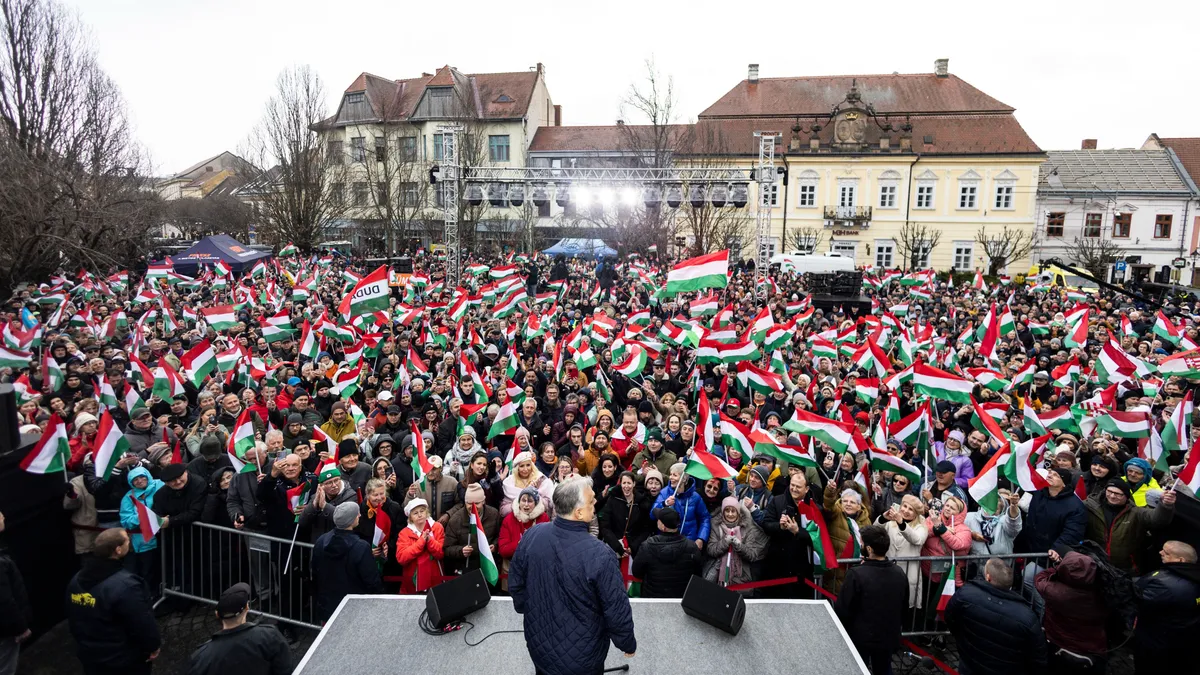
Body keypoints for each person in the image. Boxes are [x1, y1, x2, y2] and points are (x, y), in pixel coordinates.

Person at [509, 477, 636, 675]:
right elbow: (616, 608)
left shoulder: (533, 535)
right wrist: (627, 643)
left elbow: (516, 583)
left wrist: (527, 609)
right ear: (578, 512)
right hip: (583, 657)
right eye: (592, 500)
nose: (595, 503)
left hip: (539, 646)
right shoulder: (601, 554)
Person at [65, 529, 162, 675]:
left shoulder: (76, 580)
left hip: (91, 656)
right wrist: (153, 646)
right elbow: (141, 621)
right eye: (127, 540)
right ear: (118, 550)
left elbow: (73, 618)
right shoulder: (126, 586)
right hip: (124, 661)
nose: (129, 541)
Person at [945, 558, 1046, 675]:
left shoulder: (965, 595)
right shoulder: (1027, 617)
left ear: (988, 578)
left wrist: (964, 641)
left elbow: (950, 618)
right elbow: (1038, 657)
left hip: (970, 665)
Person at [834, 524, 908, 675]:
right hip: (887, 636)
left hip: (861, 638)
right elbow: (904, 606)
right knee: (884, 669)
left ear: (869, 549)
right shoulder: (899, 572)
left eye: (861, 543)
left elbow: (843, 609)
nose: (860, 545)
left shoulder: (856, 574)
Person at [187, 582, 291, 675]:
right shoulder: (270, 637)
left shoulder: (201, 658)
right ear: (247, 607)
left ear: (217, 614)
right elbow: (284, 669)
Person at [1132, 540, 1200, 673]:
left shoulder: (1165, 584)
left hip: (1157, 642)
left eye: (1166, 553)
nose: (1160, 552)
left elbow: (1137, 599)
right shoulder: (1193, 578)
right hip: (1187, 640)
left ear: (1180, 560)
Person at [1035, 550, 1108, 675]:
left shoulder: (1056, 592)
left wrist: (1059, 566)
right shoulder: (1102, 595)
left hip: (1057, 643)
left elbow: (1039, 578)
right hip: (1090, 649)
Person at [311, 502, 383, 622]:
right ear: (351, 520)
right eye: (357, 514)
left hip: (328, 607)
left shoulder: (321, 541)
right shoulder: (361, 547)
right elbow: (372, 581)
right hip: (354, 609)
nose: (359, 515)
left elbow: (315, 573)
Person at [632, 506, 703, 598]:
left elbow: (637, 572)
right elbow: (697, 575)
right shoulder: (692, 547)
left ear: (663, 527)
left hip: (652, 600)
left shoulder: (647, 546)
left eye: (659, 519)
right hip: (681, 599)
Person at [703, 497, 768, 590]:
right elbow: (711, 549)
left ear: (738, 512)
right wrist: (725, 542)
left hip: (741, 576)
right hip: (719, 576)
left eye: (733, 511)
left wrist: (739, 546)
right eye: (727, 511)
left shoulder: (747, 527)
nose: (730, 514)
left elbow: (752, 555)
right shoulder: (715, 525)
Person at [0, 512, 31, 675]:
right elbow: (4, 600)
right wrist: (20, 627)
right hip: (6, 631)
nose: (4, 517)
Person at [394, 499, 445, 595]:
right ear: (410, 517)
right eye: (415, 513)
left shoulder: (437, 527)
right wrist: (420, 542)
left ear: (427, 512)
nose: (420, 515)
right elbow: (401, 557)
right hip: (412, 584)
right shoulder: (404, 533)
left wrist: (429, 540)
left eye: (422, 511)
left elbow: (441, 553)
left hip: (435, 581)